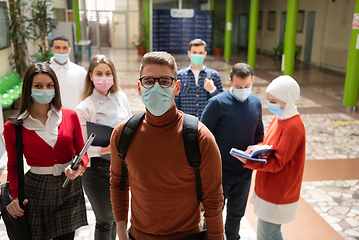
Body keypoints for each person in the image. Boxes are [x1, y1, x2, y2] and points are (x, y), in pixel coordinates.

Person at [110, 51, 224, 240]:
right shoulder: (123, 134)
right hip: (138, 236)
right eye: (148, 81)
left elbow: (213, 200)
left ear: (176, 87)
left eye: (164, 81)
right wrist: (122, 233)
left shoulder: (200, 138)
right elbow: (118, 184)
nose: (155, 87)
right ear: (139, 87)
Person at [3, 62, 89, 240]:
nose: (45, 90)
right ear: (29, 89)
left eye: (49, 85)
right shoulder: (13, 127)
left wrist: (78, 169)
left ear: (56, 88)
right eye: (38, 86)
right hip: (36, 189)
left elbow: (82, 153)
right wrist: (16, 195)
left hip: (68, 187)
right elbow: (12, 165)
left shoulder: (70, 115)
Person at [231, 75, 306, 240]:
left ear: (287, 98)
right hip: (268, 185)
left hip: (278, 189)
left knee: (268, 234)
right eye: (269, 100)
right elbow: (269, 145)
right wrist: (254, 149)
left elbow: (278, 162)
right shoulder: (280, 117)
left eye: (273, 101)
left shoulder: (293, 126)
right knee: (268, 233)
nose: (270, 105)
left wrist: (249, 162)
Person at [201, 63, 264, 240]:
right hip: (220, 173)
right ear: (230, 82)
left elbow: (259, 132)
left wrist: (257, 148)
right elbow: (202, 136)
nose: (243, 90)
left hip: (244, 173)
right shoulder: (217, 103)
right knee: (213, 216)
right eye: (238, 87)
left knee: (236, 215)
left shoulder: (256, 103)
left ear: (252, 81)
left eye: (247, 87)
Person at [75, 55, 131, 240]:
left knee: (118, 218)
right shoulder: (84, 108)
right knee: (105, 219)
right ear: (91, 76)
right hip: (97, 171)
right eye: (99, 73)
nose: (104, 77)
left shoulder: (120, 97)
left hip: (120, 168)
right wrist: (112, 148)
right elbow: (81, 148)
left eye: (108, 73)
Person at [175, 38, 223, 118]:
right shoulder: (179, 75)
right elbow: (175, 102)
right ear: (189, 53)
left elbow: (222, 102)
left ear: (205, 54)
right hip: (186, 122)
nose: (197, 55)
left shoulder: (214, 75)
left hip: (207, 123)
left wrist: (213, 90)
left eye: (200, 53)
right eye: (194, 52)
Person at [49, 35, 87, 109]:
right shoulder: (45, 71)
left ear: (69, 50)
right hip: (51, 117)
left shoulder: (80, 71)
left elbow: (85, 97)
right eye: (57, 48)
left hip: (74, 116)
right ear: (52, 50)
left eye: (65, 48)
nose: (61, 51)